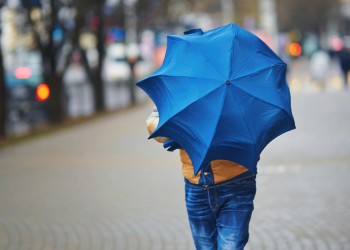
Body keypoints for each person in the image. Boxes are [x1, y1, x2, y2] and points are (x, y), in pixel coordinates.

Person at [146, 106, 257, 250]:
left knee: (231, 246)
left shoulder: (238, 86)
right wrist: (182, 125)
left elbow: (259, 123)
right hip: (196, 185)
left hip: (236, 181)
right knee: (204, 246)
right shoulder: (182, 87)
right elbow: (154, 125)